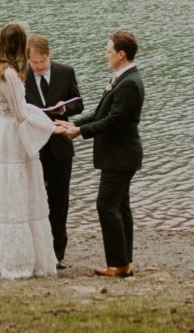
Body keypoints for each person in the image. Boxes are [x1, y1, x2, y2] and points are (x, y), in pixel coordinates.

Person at [56, 30, 144, 278]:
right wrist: (71, 124)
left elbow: (113, 121)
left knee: (106, 206)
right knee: (120, 206)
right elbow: (100, 114)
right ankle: (124, 262)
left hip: (121, 156)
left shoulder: (129, 84)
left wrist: (80, 133)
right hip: (119, 156)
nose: (106, 55)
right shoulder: (121, 78)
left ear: (121, 54)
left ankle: (117, 264)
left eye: (108, 51)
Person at [0, 23, 58, 279]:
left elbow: (18, 111)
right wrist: (51, 127)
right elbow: (21, 114)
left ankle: (5, 255)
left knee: (9, 191)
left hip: (2, 132)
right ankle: (20, 260)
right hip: (15, 135)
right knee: (21, 188)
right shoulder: (11, 75)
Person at [23, 35, 83, 269]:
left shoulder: (65, 72)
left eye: (42, 61)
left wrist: (65, 108)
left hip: (60, 147)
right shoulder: (22, 76)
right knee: (34, 199)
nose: (38, 66)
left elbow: (79, 103)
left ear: (49, 54)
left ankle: (58, 253)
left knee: (59, 202)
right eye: (34, 62)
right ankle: (36, 249)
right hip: (33, 147)